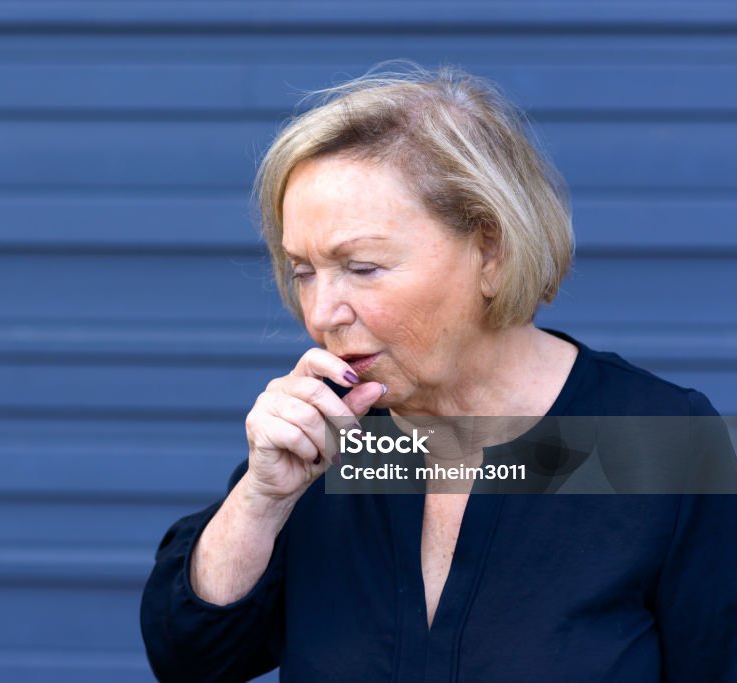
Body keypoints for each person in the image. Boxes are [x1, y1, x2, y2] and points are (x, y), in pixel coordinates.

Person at [139, 64, 737, 682]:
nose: (321, 312)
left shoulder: (664, 443)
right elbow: (191, 657)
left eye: (363, 267)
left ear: (491, 252)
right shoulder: (329, 438)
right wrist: (261, 499)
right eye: (303, 269)